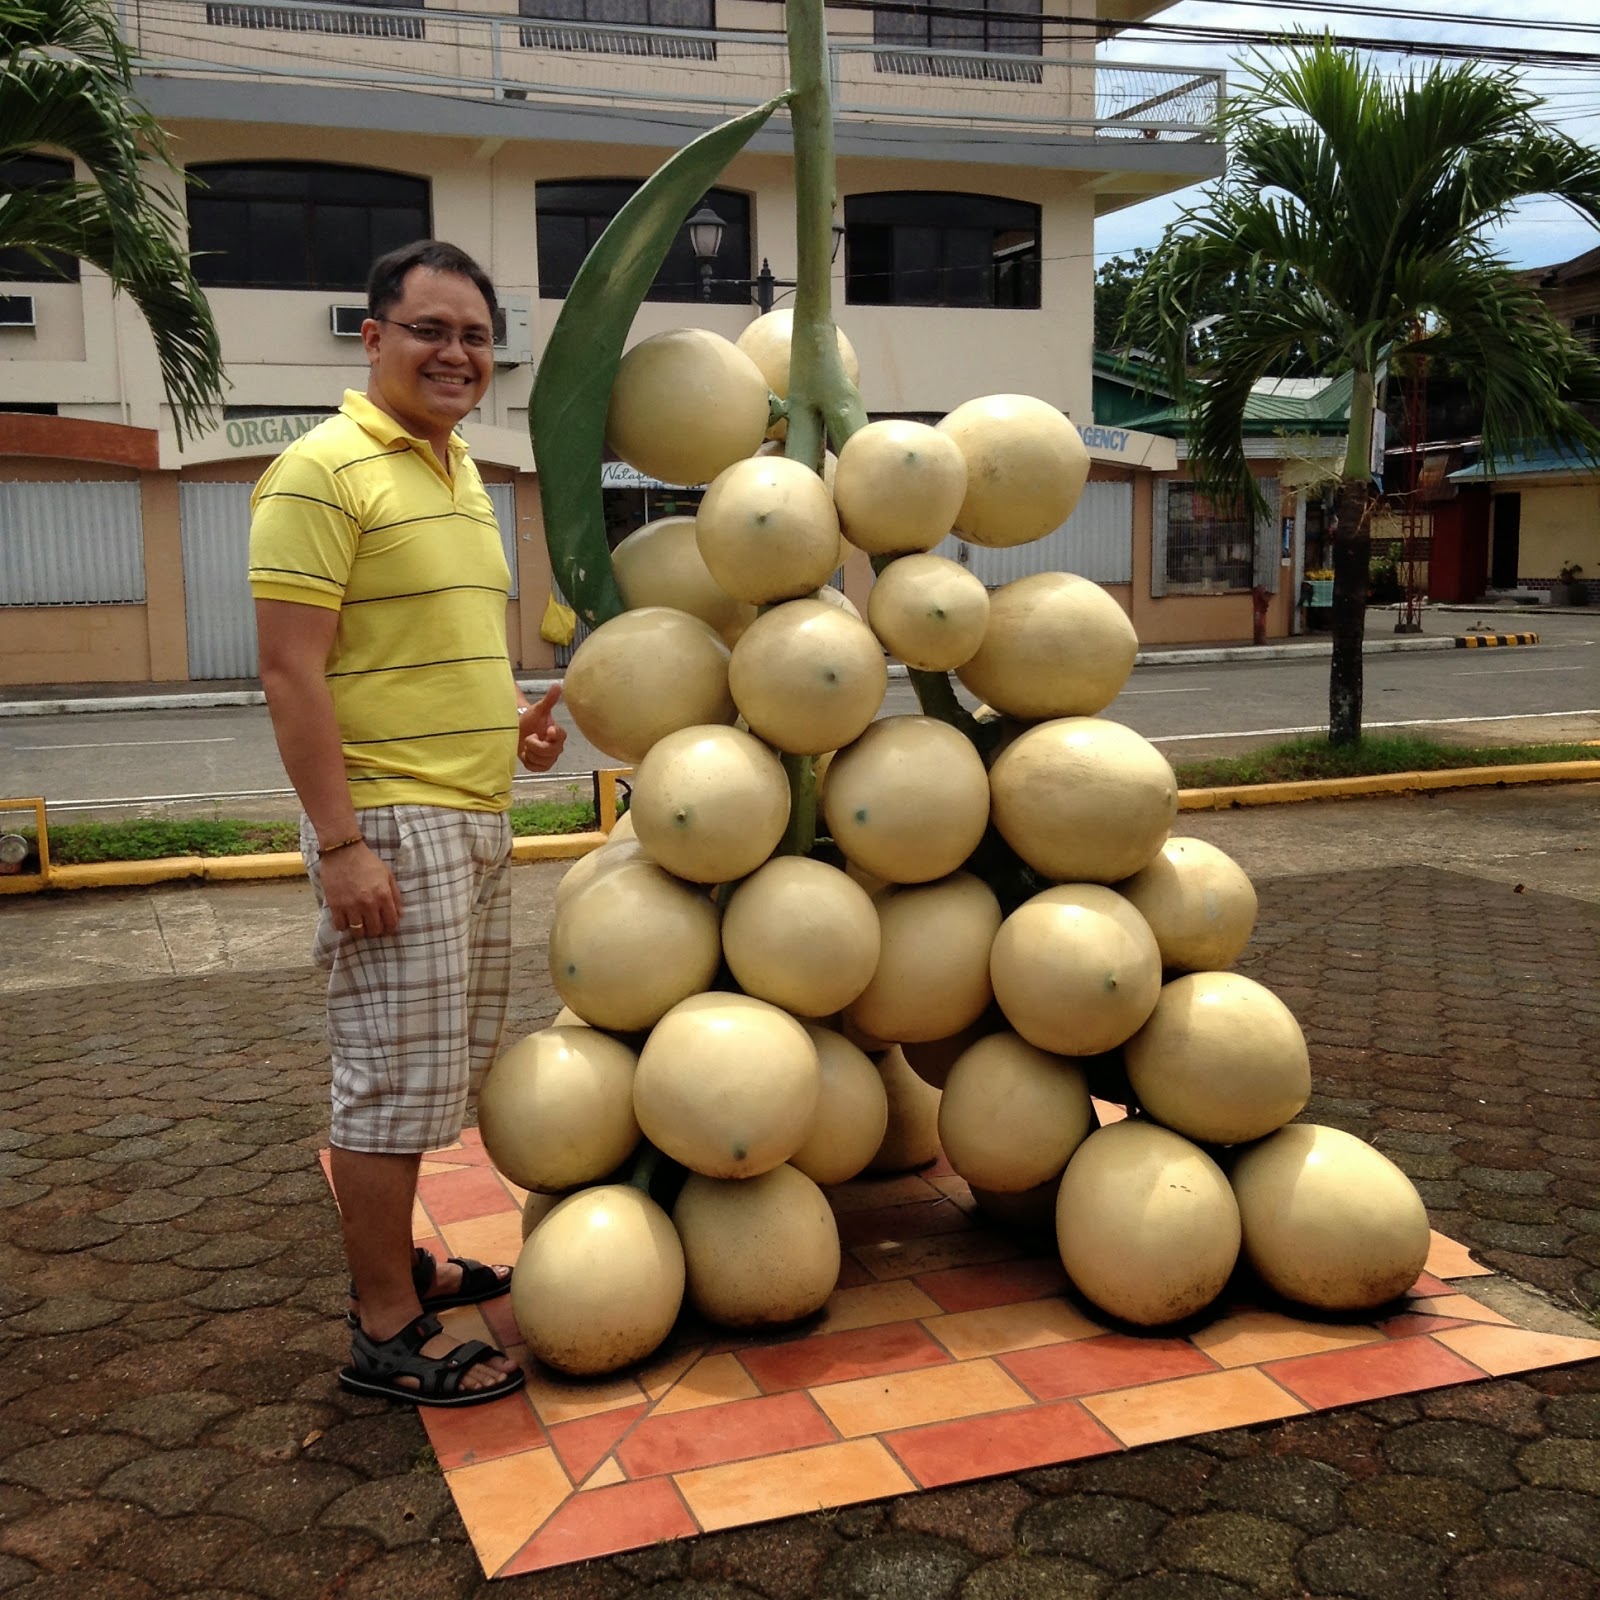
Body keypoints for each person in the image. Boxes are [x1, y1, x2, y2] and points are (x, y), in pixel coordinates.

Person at [248, 240, 565, 1408]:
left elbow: (432, 650)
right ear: (372, 337)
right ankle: (384, 1323)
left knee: (438, 1075)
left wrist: (512, 733)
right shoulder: (322, 470)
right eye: (430, 329)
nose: (457, 353)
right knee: (388, 1082)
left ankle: (410, 1268)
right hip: (388, 820)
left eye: (476, 335)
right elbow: (291, 673)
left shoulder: (460, 470)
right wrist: (339, 844)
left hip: (472, 813)